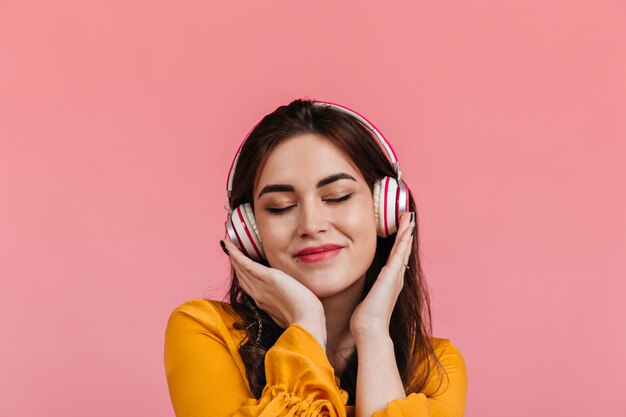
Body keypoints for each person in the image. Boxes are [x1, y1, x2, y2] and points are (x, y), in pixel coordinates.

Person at [164, 99, 467, 417]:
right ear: (250, 231)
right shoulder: (205, 330)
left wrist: (373, 331)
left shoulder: (437, 368)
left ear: (385, 210)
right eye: (280, 206)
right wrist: (305, 323)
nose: (311, 225)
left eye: (338, 197)